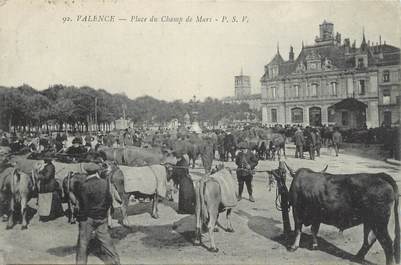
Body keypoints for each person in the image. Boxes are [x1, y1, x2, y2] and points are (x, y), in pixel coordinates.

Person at [76, 163, 120, 265]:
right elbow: (109, 200)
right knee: (106, 242)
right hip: (102, 217)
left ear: (86, 172)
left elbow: (84, 205)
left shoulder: (84, 185)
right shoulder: (104, 183)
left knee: (83, 244)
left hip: (88, 218)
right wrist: (103, 212)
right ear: (97, 171)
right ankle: (116, 261)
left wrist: (81, 218)